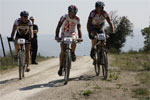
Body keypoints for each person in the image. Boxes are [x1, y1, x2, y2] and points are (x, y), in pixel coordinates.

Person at [55, 5, 83, 76]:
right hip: (64, 33)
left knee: (74, 40)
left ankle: (73, 53)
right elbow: (58, 26)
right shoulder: (63, 17)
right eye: (72, 13)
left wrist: (80, 37)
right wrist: (57, 36)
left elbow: (79, 28)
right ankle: (61, 67)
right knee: (63, 50)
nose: (74, 14)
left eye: (75, 13)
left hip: (72, 33)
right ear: (69, 12)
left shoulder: (77, 19)